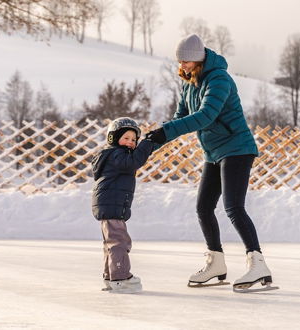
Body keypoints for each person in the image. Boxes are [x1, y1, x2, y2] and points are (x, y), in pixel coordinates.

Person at [146, 34, 275, 292]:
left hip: (237, 148)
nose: (181, 64)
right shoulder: (189, 84)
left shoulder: (219, 79)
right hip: (213, 152)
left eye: (186, 60)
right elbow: (180, 117)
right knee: (203, 207)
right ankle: (215, 262)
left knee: (233, 207)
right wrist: (155, 138)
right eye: (179, 60)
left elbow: (205, 116)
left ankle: (257, 262)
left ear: (198, 59)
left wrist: (166, 131)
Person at [92, 117, 155, 293]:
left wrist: (146, 145)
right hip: (112, 204)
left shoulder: (113, 154)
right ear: (113, 138)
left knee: (111, 243)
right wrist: (147, 144)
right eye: (126, 138)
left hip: (110, 204)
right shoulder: (116, 154)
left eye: (134, 140)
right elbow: (133, 162)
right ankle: (121, 277)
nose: (130, 143)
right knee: (119, 241)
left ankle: (110, 276)